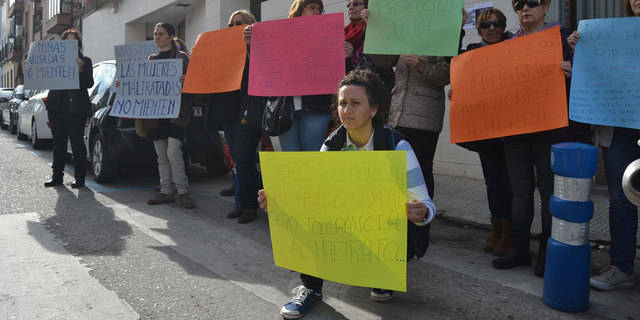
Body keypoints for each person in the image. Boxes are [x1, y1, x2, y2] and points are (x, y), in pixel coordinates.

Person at [258, 69, 435, 319]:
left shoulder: (397, 146)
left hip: (384, 232)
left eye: (355, 103)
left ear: (373, 109)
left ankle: (381, 274)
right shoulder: (331, 145)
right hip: (349, 226)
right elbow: (313, 195)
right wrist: (278, 201)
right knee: (308, 217)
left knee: (400, 230)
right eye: (342, 103)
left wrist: (421, 212)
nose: (346, 110)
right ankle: (310, 287)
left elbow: (426, 203)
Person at [492, 0, 591, 277]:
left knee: (548, 191)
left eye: (533, 3)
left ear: (546, 7)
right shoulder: (507, 43)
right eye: (518, 4)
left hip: (550, 129)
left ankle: (548, 251)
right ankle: (520, 248)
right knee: (519, 192)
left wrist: (572, 72)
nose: (526, 8)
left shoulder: (563, 39)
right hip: (516, 131)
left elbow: (590, 78)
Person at [566, 0, 639, 291]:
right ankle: (621, 267)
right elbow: (596, 75)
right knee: (622, 199)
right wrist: (581, 50)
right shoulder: (610, 33)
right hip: (618, 127)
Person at [457, 8, 514, 256]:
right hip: (486, 131)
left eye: (497, 24)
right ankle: (496, 229)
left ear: (503, 26)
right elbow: (453, 61)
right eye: (486, 25)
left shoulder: (516, 47)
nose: (492, 29)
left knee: (509, 183)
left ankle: (510, 233)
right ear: (479, 29)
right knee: (492, 182)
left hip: (513, 129)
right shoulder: (471, 52)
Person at [244, 0, 333, 152]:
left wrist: (344, 54)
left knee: (312, 157)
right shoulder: (280, 36)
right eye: (312, 8)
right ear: (299, 11)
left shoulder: (329, 37)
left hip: (317, 108)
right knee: (290, 157)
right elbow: (265, 66)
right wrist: (252, 45)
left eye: (320, 9)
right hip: (285, 109)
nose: (317, 12)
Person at [369, 48, 450, 200]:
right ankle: (401, 217)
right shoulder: (403, 39)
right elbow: (383, 61)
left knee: (421, 170)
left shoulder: (439, 39)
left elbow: (446, 76)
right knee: (396, 170)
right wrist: (374, 36)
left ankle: (422, 218)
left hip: (425, 118)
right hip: (398, 116)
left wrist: (422, 66)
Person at [138, 22, 195, 209]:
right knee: (161, 155)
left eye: (161, 34)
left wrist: (187, 80)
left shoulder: (181, 58)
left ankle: (183, 191)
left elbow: (196, 83)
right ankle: (166, 190)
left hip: (177, 114)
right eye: (155, 34)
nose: (156, 37)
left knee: (173, 151)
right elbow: (144, 87)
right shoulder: (151, 60)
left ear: (171, 37)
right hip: (156, 115)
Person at [224, 10, 267, 224]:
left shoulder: (261, 49)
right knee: (238, 161)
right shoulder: (225, 51)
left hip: (249, 110)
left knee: (245, 159)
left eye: (240, 23)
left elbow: (262, 72)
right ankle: (241, 203)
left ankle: (250, 206)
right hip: (230, 111)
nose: (236, 27)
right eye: (232, 24)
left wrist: (250, 47)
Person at [44, 28, 94, 189]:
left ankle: (80, 177)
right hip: (56, 107)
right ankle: (57, 176)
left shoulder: (85, 61)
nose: (69, 44)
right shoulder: (55, 61)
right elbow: (45, 80)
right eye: (66, 41)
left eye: (73, 41)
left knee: (77, 142)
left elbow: (89, 83)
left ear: (78, 45)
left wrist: (80, 69)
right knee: (59, 143)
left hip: (76, 108)